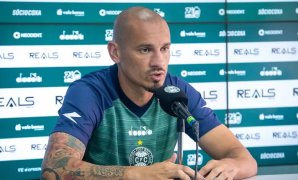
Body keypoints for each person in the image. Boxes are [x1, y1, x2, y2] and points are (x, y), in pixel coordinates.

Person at [41, 6, 257, 180]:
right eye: (145, 50)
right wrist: (138, 174)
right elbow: (54, 170)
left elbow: (245, 160)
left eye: (164, 48)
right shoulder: (90, 92)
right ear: (115, 52)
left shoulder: (178, 92)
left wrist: (230, 167)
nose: (159, 62)